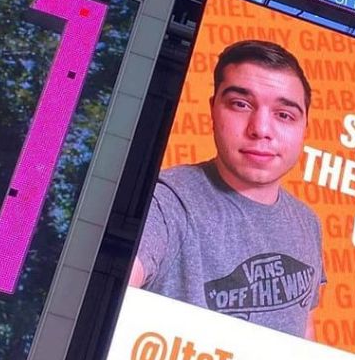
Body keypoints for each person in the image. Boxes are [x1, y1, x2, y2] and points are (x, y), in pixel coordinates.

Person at [130, 39, 324, 338]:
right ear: (213, 110)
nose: (260, 129)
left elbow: (305, 326)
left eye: (284, 115)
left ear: (304, 128)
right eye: (240, 105)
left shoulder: (307, 222)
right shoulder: (166, 201)